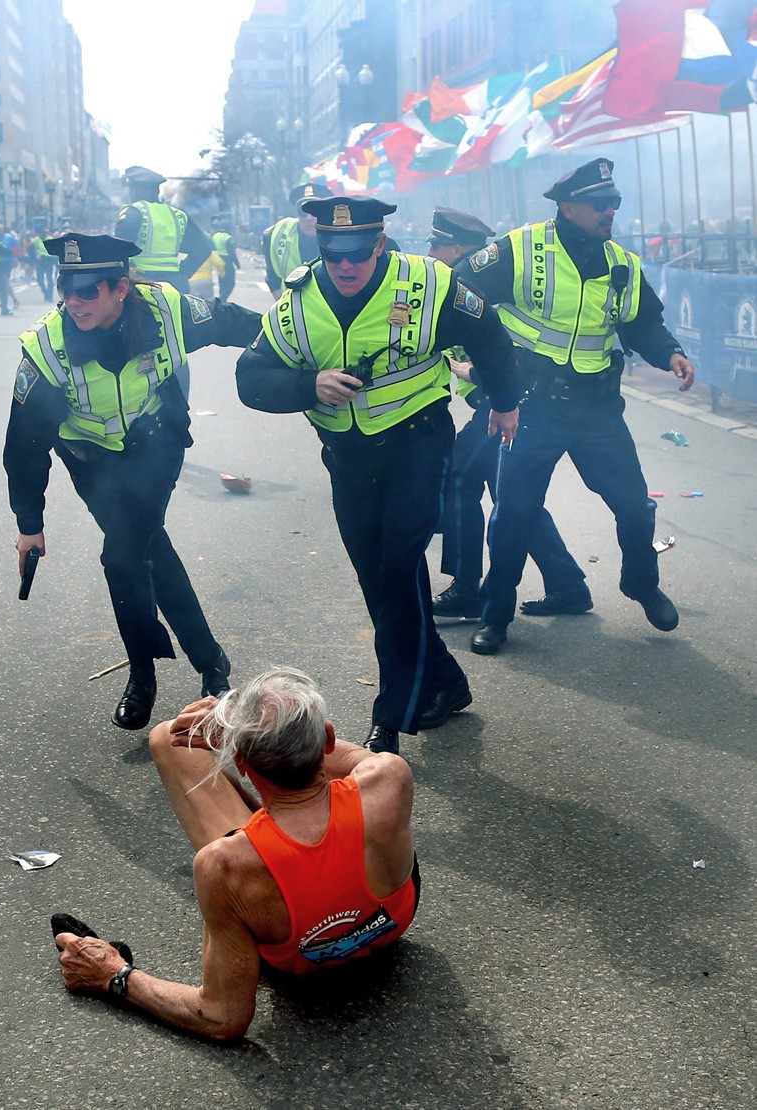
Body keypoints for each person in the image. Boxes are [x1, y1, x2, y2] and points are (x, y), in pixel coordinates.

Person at [236, 197, 520, 755]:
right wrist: (307, 386)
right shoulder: (295, 302)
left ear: (381, 243)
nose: (345, 266)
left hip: (419, 442)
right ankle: (446, 682)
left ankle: (392, 716)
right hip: (349, 459)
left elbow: (488, 335)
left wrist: (505, 401)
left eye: (358, 254)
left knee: (396, 568)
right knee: (383, 580)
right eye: (333, 254)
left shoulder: (428, 283)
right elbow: (250, 379)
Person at [52, 666, 418, 1041]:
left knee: (168, 737)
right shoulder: (389, 776)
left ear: (240, 763)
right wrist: (254, 731)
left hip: (302, 960)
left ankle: (274, 820)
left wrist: (113, 975)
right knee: (175, 737)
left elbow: (221, 1017)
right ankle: (282, 813)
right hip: (389, 924)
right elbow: (345, 758)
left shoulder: (222, 866)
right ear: (327, 738)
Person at [3, 233, 262, 729]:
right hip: (91, 459)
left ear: (121, 288)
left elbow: (236, 322)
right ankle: (212, 664)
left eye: (88, 291)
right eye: (66, 288)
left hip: (154, 443)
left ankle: (142, 675)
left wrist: (295, 354)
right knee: (150, 552)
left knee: (122, 556)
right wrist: (29, 523)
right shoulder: (47, 348)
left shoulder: (166, 310)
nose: (73, 302)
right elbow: (24, 443)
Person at [452, 157, 696, 656]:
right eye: (600, 203)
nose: (610, 211)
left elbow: (643, 322)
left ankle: (641, 584)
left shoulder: (622, 264)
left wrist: (670, 352)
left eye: (615, 203)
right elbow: (460, 297)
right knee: (514, 515)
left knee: (634, 506)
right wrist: (477, 369)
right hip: (531, 409)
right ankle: (496, 616)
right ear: (567, 206)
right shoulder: (520, 249)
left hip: (597, 412)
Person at [427, 208, 590, 622]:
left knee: (460, 478)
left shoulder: (479, 295)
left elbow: (510, 357)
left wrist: (472, 373)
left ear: (459, 248)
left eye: (437, 244)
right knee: (513, 499)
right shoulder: (455, 289)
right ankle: (568, 584)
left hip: (506, 406)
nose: (430, 251)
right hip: (499, 406)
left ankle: (466, 587)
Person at [114, 165, 212, 294]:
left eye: (131, 188)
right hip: (174, 286)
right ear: (157, 191)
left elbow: (117, 250)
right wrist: (183, 274)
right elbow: (204, 248)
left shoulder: (134, 211)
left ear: (135, 189)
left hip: (141, 285)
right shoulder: (178, 215)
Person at [262, 182, 334, 299]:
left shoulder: (339, 236)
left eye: (315, 212)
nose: (309, 218)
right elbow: (272, 277)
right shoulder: (276, 234)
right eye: (303, 212)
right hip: (292, 307)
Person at [211, 219, 240, 302]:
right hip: (227, 262)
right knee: (231, 283)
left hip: (218, 261)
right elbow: (232, 252)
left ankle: (222, 301)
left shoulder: (215, 236)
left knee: (222, 283)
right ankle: (221, 300)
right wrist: (237, 264)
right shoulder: (228, 237)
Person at [29, 229, 56, 302]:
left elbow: (55, 249)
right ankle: (45, 292)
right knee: (39, 279)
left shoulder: (50, 239)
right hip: (40, 260)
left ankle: (50, 295)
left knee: (49, 278)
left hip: (48, 259)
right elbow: (30, 250)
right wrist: (35, 256)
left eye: (44, 233)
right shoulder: (35, 240)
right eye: (42, 233)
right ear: (39, 233)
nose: (43, 234)